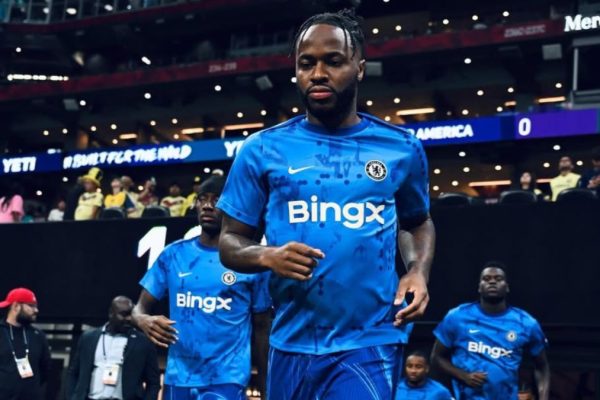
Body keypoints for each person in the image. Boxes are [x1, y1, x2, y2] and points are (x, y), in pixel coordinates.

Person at [217, 9, 435, 399]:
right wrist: (267, 256)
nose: (318, 73)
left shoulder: (401, 148)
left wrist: (417, 271)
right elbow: (229, 242)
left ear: (360, 68)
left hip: (369, 342)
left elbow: (416, 222)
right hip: (291, 342)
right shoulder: (261, 149)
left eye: (333, 61)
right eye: (307, 64)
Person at [132, 175, 271, 400]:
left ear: (232, 205)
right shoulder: (173, 255)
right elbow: (138, 309)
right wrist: (142, 320)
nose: (207, 205)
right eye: (202, 199)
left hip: (227, 380)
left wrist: (267, 391)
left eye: (216, 200)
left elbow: (262, 329)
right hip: (178, 379)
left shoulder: (249, 260)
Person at [431, 262, 550, 400]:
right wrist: (463, 376)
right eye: (486, 279)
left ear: (507, 287)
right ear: (479, 287)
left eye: (498, 279)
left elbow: (542, 367)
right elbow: (436, 357)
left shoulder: (526, 323)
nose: (492, 282)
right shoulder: (457, 317)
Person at [66, 296, 160, 400]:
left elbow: (153, 383)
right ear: (111, 313)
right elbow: (73, 373)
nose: (129, 319)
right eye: (124, 314)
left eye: (131, 314)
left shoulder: (143, 342)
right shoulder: (88, 338)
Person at [0, 288, 51, 400]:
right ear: (16, 306)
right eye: (31, 306)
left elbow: (45, 369)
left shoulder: (38, 335)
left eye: (36, 306)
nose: (36, 310)